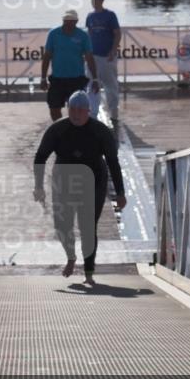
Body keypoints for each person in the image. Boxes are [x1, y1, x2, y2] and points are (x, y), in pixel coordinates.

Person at [34, 91, 126, 284]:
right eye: (72, 110)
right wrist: (39, 186)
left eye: (80, 110)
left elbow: (113, 162)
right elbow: (40, 157)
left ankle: (89, 272)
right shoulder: (57, 130)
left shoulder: (100, 131)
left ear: (88, 111)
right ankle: (70, 257)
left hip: (94, 181)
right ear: (68, 110)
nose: (76, 114)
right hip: (64, 180)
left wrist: (120, 192)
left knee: (87, 226)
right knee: (62, 226)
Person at [40, 9, 100, 122]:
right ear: (63, 20)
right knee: (54, 107)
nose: (68, 23)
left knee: (77, 107)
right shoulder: (53, 34)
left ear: (76, 21)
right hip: (57, 78)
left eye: (71, 21)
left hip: (76, 79)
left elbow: (89, 58)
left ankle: (74, 126)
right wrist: (43, 78)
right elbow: (47, 56)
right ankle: (59, 126)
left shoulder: (83, 35)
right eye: (66, 21)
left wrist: (95, 79)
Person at [85, 0, 122, 124]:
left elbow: (117, 33)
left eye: (95, 0)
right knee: (91, 84)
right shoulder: (89, 16)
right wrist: (86, 53)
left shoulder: (110, 15)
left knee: (110, 85)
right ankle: (93, 113)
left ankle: (114, 113)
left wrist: (113, 50)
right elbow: (89, 34)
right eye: (92, 0)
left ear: (101, 0)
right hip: (92, 56)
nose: (93, 3)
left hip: (107, 57)